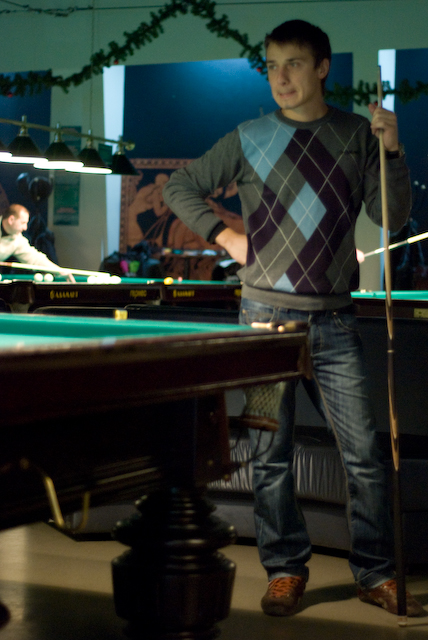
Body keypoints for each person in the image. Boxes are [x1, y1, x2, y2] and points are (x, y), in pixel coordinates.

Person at [163, 19, 426, 618]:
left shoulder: (356, 134)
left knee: (364, 456)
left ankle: (375, 573)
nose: (281, 77)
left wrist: (393, 151)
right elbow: (181, 186)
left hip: (334, 324)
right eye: (273, 65)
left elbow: (391, 215)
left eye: (295, 64)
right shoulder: (249, 136)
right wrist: (225, 236)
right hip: (263, 322)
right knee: (270, 455)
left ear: (322, 67)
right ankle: (284, 570)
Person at [0, 204, 74, 281]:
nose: (25, 228)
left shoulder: (18, 240)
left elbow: (36, 259)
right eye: (23, 223)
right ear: (11, 220)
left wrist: (59, 271)